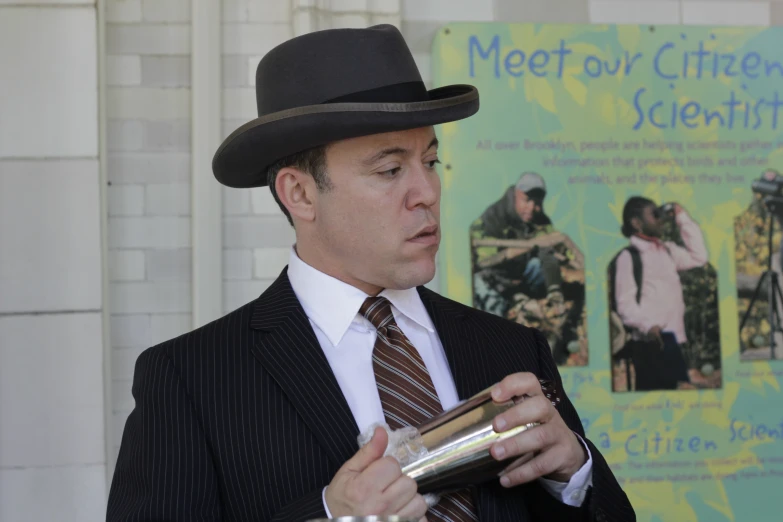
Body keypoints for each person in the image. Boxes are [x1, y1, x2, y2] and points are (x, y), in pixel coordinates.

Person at [106, 25, 634, 522]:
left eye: (431, 162)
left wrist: (574, 472)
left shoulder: (512, 350)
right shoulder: (192, 380)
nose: (426, 192)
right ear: (300, 193)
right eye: (389, 170)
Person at [470, 173, 582, 365]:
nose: (532, 208)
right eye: (527, 200)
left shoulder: (539, 218)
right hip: (494, 277)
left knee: (543, 264)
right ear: (516, 194)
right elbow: (484, 263)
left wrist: (570, 261)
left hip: (523, 275)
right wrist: (530, 245)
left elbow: (555, 244)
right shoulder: (493, 217)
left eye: (537, 202)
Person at [610, 196, 708, 390]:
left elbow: (699, 257)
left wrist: (682, 217)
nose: (661, 219)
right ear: (636, 223)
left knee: (673, 400)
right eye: (654, 215)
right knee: (652, 400)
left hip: (672, 341)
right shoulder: (629, 257)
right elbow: (625, 303)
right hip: (649, 344)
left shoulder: (667, 250)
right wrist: (648, 326)